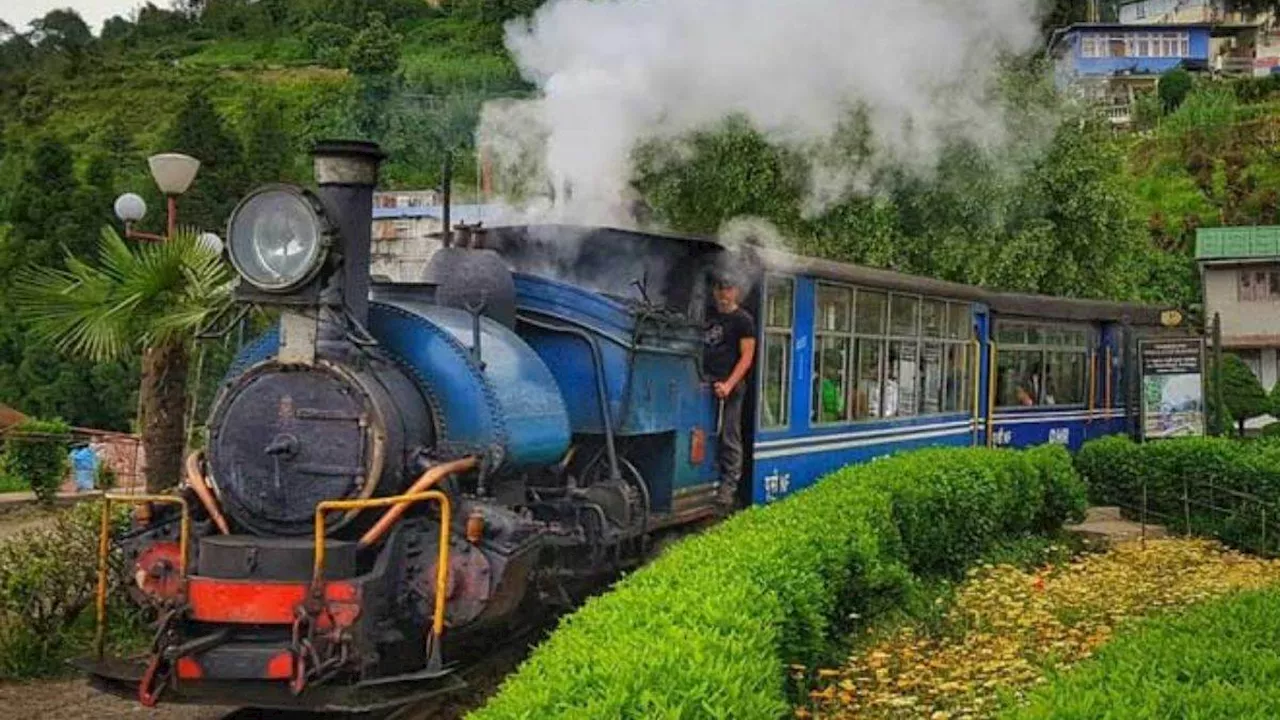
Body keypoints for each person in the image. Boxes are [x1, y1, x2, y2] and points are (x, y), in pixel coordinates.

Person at [704, 273, 756, 511]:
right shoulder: (710, 317)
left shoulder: (743, 320)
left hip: (731, 385)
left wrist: (728, 384)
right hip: (707, 382)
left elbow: (747, 358)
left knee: (729, 434)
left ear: (735, 292)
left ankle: (729, 487)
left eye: (727, 289)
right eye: (719, 288)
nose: (723, 294)